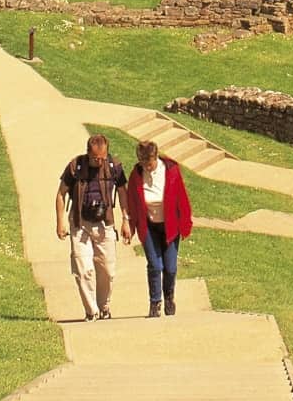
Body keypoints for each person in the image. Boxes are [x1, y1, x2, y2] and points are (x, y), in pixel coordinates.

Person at [57, 133, 127, 320]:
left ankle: (104, 306)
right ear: (88, 153)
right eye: (95, 158)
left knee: (108, 271)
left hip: (105, 224)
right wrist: (60, 222)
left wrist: (126, 220)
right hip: (80, 225)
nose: (99, 161)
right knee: (83, 269)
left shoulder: (114, 166)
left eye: (103, 157)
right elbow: (60, 194)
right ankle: (91, 311)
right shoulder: (75, 166)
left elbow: (122, 192)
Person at [127, 137, 193, 316]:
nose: (147, 167)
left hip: (170, 226)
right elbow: (132, 202)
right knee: (155, 265)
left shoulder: (171, 171)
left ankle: (169, 296)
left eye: (149, 163)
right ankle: (155, 303)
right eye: (143, 163)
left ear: (155, 157)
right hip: (148, 226)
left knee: (170, 268)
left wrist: (186, 223)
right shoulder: (136, 175)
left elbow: (182, 198)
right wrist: (129, 225)